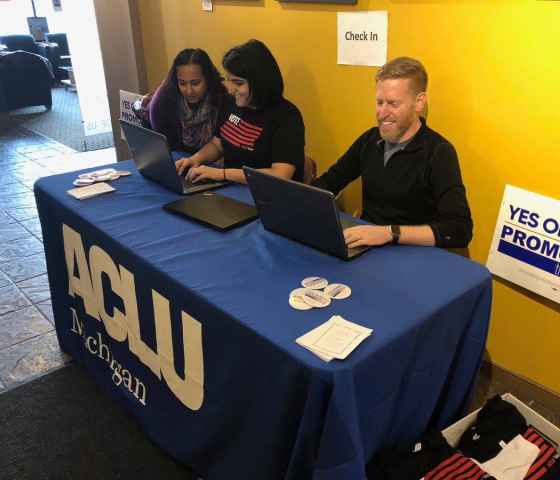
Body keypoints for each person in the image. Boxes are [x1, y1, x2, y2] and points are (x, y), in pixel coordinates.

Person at [313, 57, 473, 249]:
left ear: (419, 102)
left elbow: (458, 230)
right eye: (379, 102)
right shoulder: (370, 140)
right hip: (366, 247)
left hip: (411, 254)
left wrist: (389, 233)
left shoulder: (438, 152)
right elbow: (330, 182)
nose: (382, 112)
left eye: (393, 104)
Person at [175, 39, 305, 184]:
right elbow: (218, 145)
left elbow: (280, 175)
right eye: (229, 80)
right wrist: (195, 159)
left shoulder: (286, 117)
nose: (230, 89)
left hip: (267, 196)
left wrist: (222, 174)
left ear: (259, 82)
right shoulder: (232, 104)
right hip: (231, 188)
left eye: (238, 83)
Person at [147, 48, 230, 156]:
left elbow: (222, 142)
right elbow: (166, 149)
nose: (189, 91)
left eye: (195, 83)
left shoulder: (222, 97)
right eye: (182, 83)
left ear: (208, 78)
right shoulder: (163, 101)